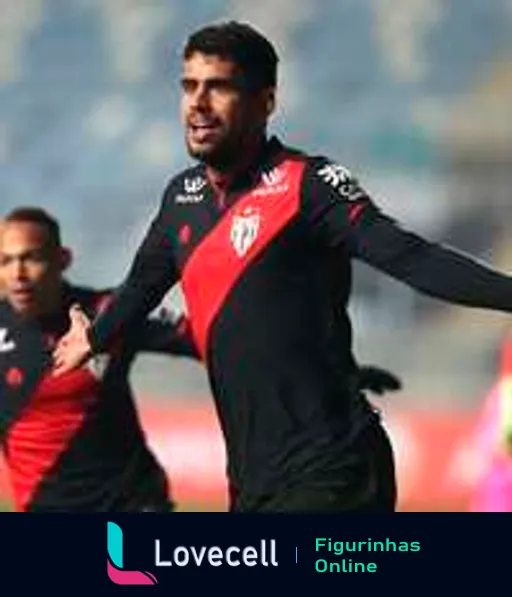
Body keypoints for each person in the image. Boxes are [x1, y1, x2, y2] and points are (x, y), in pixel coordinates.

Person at [52, 20, 512, 513]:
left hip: (333, 466)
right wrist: (96, 335)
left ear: (265, 101)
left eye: (219, 86)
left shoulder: (308, 186)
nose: (198, 103)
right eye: (189, 86)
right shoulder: (181, 200)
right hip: (254, 478)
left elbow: (411, 257)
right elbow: (142, 287)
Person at [0, 207, 196, 512]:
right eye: (6, 261)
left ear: (62, 259)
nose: (18, 274)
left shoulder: (107, 312)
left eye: (32, 258)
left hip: (132, 507)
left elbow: (208, 337)